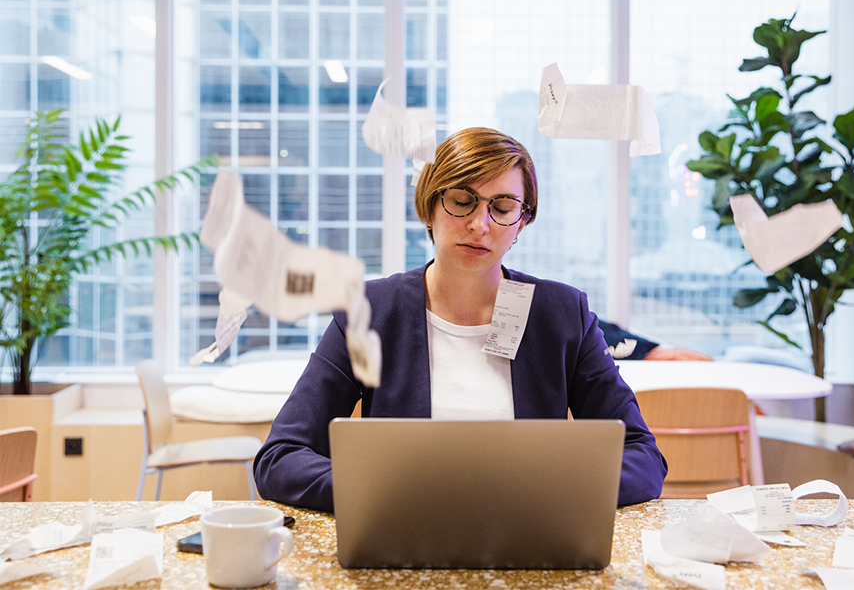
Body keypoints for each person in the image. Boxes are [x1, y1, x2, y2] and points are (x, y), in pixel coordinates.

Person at [254, 127, 667, 512]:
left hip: (531, 541)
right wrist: (383, 488)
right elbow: (280, 459)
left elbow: (643, 457)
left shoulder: (560, 314)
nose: (479, 224)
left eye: (502, 207)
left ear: (522, 222)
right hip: (404, 538)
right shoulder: (370, 312)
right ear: (429, 207)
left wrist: (550, 488)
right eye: (461, 200)